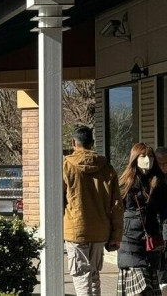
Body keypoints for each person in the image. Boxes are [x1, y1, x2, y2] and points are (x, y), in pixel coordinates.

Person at [62, 126, 122, 296]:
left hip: (76, 229)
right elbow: (117, 204)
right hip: (100, 231)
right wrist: (116, 235)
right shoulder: (107, 167)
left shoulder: (67, 166)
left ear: (74, 143)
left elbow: (59, 198)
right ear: (92, 143)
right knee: (94, 276)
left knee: (81, 276)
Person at [117, 142, 167, 295]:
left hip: (151, 243)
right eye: (143, 156)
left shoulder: (158, 183)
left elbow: (164, 212)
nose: (148, 160)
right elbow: (114, 211)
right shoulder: (125, 184)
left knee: (149, 289)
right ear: (135, 158)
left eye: (151, 157)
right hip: (130, 243)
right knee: (140, 289)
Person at [156, 146, 167, 291]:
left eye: (165, 163)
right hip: (158, 222)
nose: (163, 167)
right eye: (160, 163)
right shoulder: (152, 179)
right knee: (160, 254)